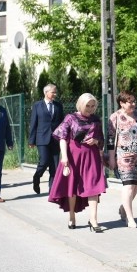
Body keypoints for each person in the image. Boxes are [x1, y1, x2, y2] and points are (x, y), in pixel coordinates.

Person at [49, 93, 106, 231]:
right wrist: (64, 158)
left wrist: (96, 141)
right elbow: (62, 137)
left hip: (91, 157)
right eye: (88, 105)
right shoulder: (71, 118)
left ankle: (93, 220)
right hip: (73, 156)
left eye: (93, 106)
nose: (91, 109)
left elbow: (101, 140)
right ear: (81, 104)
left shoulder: (96, 120)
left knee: (94, 187)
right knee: (72, 188)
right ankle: (72, 216)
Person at [107, 91, 137, 228]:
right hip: (123, 157)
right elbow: (110, 140)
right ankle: (130, 218)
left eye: (134, 101)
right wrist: (111, 158)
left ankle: (123, 208)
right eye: (130, 102)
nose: (134, 104)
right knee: (128, 186)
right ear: (122, 103)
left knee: (135, 187)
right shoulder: (115, 117)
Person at [28, 83, 64, 195]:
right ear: (46, 92)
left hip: (55, 140)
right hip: (42, 138)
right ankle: (37, 177)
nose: (55, 94)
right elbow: (33, 123)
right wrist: (31, 140)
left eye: (55, 92)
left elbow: (62, 123)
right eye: (53, 92)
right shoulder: (37, 105)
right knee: (44, 161)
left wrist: (63, 137)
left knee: (55, 165)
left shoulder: (58, 106)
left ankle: (52, 190)